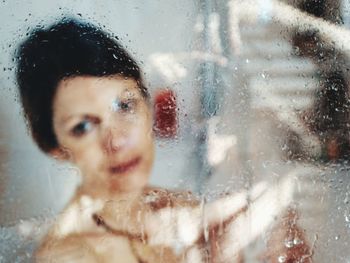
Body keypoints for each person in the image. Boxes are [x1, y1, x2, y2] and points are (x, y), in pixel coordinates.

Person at [16, 18, 312, 262]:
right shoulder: (69, 255)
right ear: (54, 147)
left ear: (147, 105)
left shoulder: (171, 207)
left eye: (124, 106)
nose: (117, 140)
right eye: (82, 126)